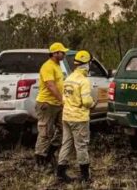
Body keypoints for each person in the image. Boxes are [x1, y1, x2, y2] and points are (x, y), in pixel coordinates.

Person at [56, 50, 95, 183]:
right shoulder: (83, 81)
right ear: (86, 64)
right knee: (81, 146)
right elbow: (87, 102)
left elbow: (64, 98)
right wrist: (92, 103)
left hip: (66, 117)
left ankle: (60, 172)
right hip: (79, 118)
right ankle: (85, 175)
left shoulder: (68, 79)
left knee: (66, 144)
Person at [34, 42, 69, 166]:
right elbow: (50, 85)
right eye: (62, 52)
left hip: (57, 104)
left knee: (63, 130)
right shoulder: (47, 66)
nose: (64, 54)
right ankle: (40, 160)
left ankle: (49, 153)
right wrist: (62, 100)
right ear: (55, 53)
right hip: (46, 104)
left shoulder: (58, 65)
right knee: (45, 133)